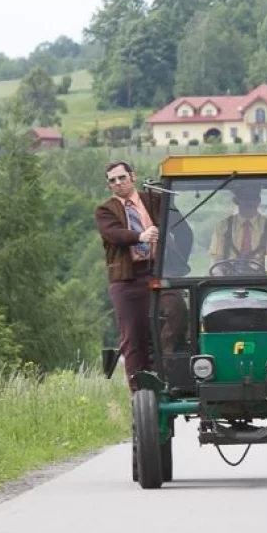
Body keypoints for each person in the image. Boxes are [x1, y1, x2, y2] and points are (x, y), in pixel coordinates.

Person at [94, 161, 186, 392]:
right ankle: (139, 392)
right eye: (112, 180)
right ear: (109, 186)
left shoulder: (154, 199)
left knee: (177, 310)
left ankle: (163, 368)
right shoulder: (106, 210)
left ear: (133, 177)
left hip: (157, 272)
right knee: (132, 336)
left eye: (122, 177)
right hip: (127, 279)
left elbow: (182, 227)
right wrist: (141, 236)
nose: (118, 183)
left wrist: (177, 260)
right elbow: (113, 235)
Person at [207, 187, 267, 274]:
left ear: (259, 201)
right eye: (245, 198)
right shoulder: (223, 226)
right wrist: (221, 278)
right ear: (236, 201)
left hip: (261, 279)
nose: (250, 202)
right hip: (229, 279)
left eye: (253, 198)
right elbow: (217, 259)